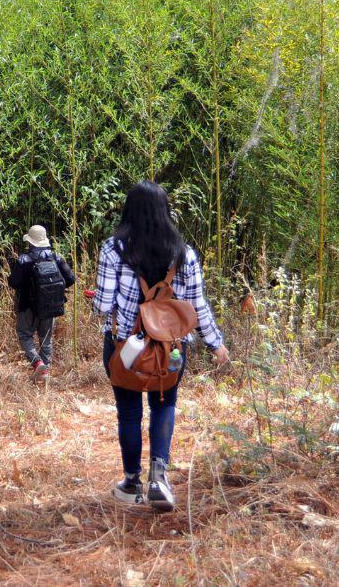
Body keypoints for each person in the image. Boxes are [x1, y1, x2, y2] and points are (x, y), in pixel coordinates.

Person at [90, 181, 230, 511]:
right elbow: (198, 307)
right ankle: (159, 478)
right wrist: (216, 345)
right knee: (163, 406)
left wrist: (104, 299)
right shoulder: (184, 254)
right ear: (165, 212)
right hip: (171, 351)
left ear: (129, 211)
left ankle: (131, 482)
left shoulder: (113, 249)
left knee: (128, 412)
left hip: (126, 349)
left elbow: (102, 306)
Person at [7, 224, 76, 382]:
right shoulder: (55, 257)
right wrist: (53, 289)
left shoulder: (24, 259)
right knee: (46, 339)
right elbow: (71, 279)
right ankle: (45, 372)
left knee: (25, 335)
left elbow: (13, 283)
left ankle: (37, 363)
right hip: (51, 305)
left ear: (30, 242)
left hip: (28, 307)